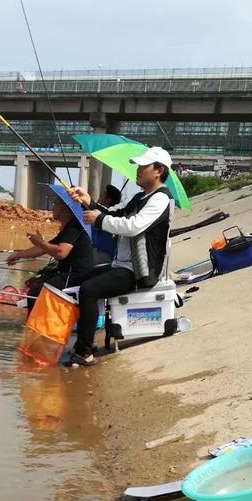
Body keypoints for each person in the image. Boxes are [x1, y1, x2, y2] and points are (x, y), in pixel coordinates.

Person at [66, 146, 174, 367]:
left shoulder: (161, 199)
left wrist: (97, 220)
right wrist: (88, 202)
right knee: (80, 280)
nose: (138, 170)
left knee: (89, 290)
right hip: (121, 265)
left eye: (143, 166)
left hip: (138, 270)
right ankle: (85, 340)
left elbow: (133, 226)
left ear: (158, 170)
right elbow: (115, 213)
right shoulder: (139, 197)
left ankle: (84, 351)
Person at [7, 185, 93, 313]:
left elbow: (60, 252)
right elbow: (41, 250)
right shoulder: (67, 229)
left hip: (74, 276)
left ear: (64, 207)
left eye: (55, 203)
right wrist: (19, 255)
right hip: (68, 274)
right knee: (35, 286)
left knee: (36, 292)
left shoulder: (73, 228)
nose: (52, 206)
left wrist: (40, 242)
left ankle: (36, 328)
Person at [91, 183, 122, 263]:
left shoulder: (110, 218)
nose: (100, 195)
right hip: (93, 250)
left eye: (103, 195)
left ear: (108, 199)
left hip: (102, 253)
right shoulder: (96, 213)